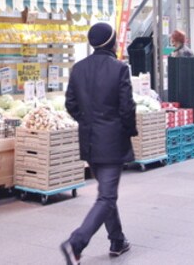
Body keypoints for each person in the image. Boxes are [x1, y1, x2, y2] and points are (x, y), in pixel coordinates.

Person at [60, 23, 137, 264]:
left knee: (106, 194)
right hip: (112, 141)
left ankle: (117, 240)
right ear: (112, 42)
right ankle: (76, 243)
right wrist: (128, 130)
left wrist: (87, 122)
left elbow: (70, 104)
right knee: (106, 197)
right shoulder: (120, 69)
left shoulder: (79, 68)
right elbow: (127, 107)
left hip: (90, 142)